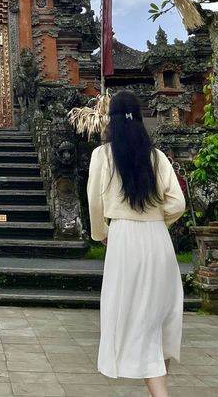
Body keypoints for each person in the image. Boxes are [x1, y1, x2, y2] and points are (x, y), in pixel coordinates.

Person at [87, 90, 186, 397]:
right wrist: (159, 222)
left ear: (110, 120)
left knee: (133, 313)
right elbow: (178, 203)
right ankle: (159, 383)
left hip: (124, 240)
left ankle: (159, 391)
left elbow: (94, 201)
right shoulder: (156, 157)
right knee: (159, 313)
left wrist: (101, 232)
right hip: (158, 240)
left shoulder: (103, 156)